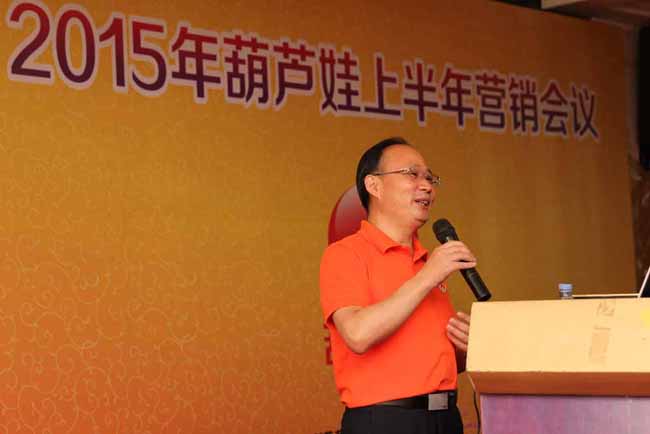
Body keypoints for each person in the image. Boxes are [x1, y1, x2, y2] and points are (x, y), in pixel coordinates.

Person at [319, 137, 475, 434]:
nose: (426, 186)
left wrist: (466, 349)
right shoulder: (346, 254)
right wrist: (427, 277)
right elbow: (358, 334)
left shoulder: (427, 261)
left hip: (446, 418)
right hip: (387, 421)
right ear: (374, 185)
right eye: (411, 174)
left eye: (430, 178)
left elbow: (430, 362)